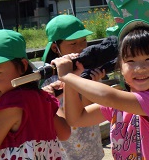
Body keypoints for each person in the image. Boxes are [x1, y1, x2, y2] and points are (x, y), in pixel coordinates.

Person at [52, 19, 149, 159]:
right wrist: (70, 82)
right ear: (120, 68)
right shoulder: (119, 106)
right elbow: (77, 118)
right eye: (130, 61)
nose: (139, 68)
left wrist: (67, 76)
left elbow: (109, 97)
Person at [0, 29, 70, 160]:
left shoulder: (11, 104)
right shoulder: (41, 97)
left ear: (23, 66)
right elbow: (65, 133)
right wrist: (50, 101)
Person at [41, 14, 104, 160]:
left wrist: (93, 86)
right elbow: (61, 120)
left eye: (83, 41)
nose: (81, 48)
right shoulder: (48, 79)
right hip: (65, 151)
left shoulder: (89, 70)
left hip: (92, 146)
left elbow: (90, 113)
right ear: (56, 48)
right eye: (73, 44)